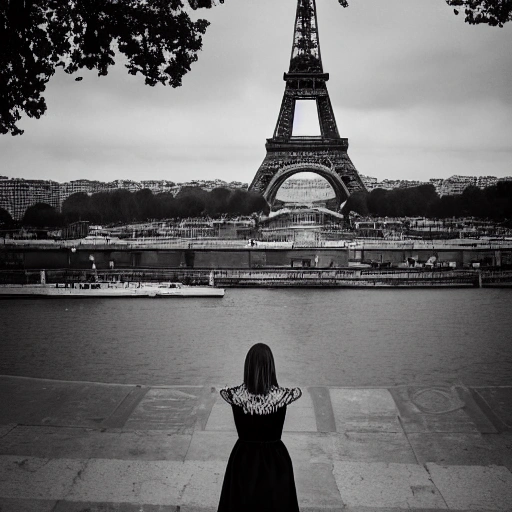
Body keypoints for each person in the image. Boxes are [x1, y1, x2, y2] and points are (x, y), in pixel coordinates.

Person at [217, 343, 302, 512]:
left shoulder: (234, 396)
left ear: (247, 367)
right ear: (271, 367)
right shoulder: (284, 396)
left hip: (243, 459)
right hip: (276, 461)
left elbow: (224, 391)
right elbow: (297, 392)